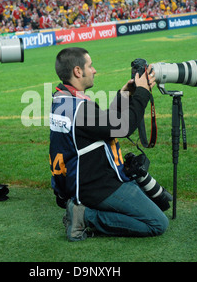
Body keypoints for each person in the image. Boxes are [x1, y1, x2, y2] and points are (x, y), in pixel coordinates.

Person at [49, 47, 170, 241]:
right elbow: (123, 127)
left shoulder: (63, 100)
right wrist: (142, 93)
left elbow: (102, 125)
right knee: (157, 223)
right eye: (90, 66)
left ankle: (85, 211)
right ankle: (85, 216)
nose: (94, 70)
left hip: (81, 181)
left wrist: (124, 96)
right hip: (98, 185)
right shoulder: (78, 108)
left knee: (155, 203)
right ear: (78, 71)